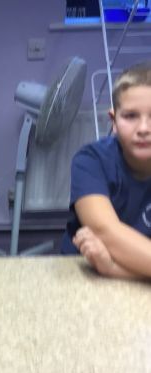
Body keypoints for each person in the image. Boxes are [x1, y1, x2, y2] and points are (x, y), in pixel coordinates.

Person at [61, 61, 151, 280]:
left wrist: (113, 269)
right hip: (85, 274)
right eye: (130, 116)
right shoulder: (90, 161)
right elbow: (106, 233)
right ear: (114, 120)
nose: (143, 129)